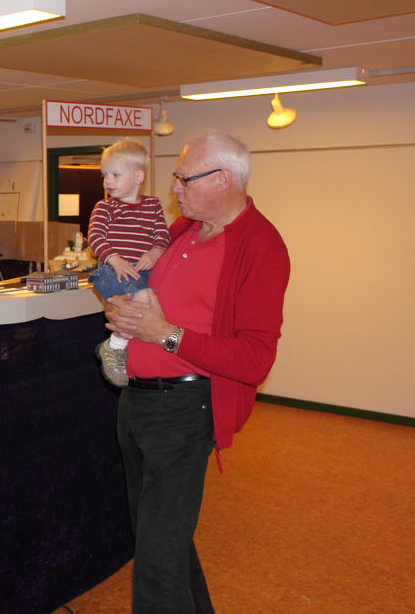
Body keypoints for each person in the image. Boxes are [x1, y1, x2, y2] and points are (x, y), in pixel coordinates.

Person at [104, 130, 290, 613]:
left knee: (157, 560)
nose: (174, 188)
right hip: (137, 401)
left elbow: (255, 359)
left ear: (224, 179)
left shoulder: (261, 247)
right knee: (160, 541)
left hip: (184, 410)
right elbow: (161, 304)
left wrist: (164, 334)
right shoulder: (184, 229)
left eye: (185, 179)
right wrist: (129, 315)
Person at [88, 139, 171, 386]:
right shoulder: (105, 207)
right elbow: (95, 238)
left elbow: (162, 234)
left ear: (138, 176)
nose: (108, 181)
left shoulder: (153, 205)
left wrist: (155, 253)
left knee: (145, 306)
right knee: (145, 300)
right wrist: (115, 259)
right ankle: (115, 346)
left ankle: (118, 347)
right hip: (111, 272)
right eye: (104, 175)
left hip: (138, 272)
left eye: (115, 174)